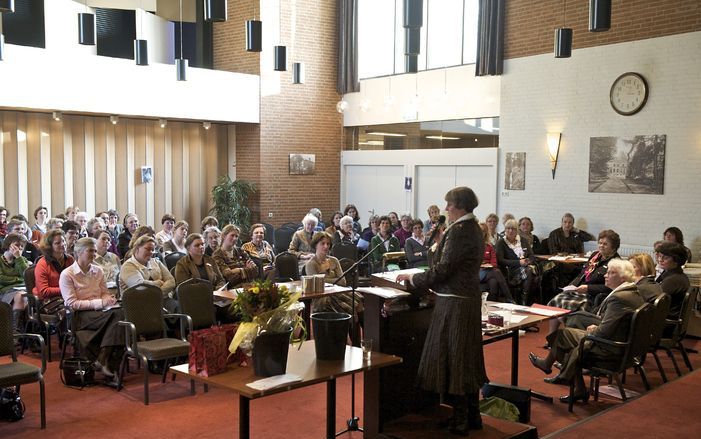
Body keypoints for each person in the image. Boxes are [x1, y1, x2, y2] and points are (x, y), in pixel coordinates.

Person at [396, 187, 487, 435]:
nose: (446, 209)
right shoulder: (474, 228)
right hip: (464, 298)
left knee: (454, 358)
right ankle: (472, 415)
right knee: (465, 357)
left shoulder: (459, 231)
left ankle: (461, 419)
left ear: (459, 206)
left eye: (449, 204)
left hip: (455, 302)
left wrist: (414, 280)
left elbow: (444, 268)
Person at [529, 259, 644, 403]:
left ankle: (561, 374)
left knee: (563, 337)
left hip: (610, 347)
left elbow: (604, 332)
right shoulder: (631, 291)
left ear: (623, 277)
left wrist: (593, 330)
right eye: (607, 272)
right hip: (623, 342)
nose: (605, 276)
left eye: (611, 273)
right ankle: (575, 386)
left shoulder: (619, 298)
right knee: (575, 320)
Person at [59, 237, 123, 380]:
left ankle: (102, 358)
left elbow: (104, 292)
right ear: (79, 252)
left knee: (120, 314)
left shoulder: (98, 271)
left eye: (95, 251)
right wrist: (100, 303)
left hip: (101, 313)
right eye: (91, 251)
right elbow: (71, 303)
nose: (94, 254)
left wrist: (108, 299)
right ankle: (106, 361)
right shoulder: (67, 274)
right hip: (80, 315)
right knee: (118, 317)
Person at [565, 253, 662, 333]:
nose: (605, 276)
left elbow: (607, 327)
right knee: (575, 316)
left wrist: (594, 329)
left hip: (615, 336)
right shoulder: (646, 285)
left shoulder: (635, 290)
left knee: (572, 323)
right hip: (626, 331)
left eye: (632, 267)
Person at [175, 233, 235, 323]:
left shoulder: (210, 260)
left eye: (202, 244)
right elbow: (184, 288)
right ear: (188, 248)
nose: (201, 247)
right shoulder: (182, 264)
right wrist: (209, 295)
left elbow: (220, 279)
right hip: (195, 299)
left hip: (215, 298)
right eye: (197, 245)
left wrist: (220, 290)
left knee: (236, 307)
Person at [120, 236, 176, 311]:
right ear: (137, 248)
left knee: (180, 308)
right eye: (148, 249)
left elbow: (171, 281)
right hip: (139, 304)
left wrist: (158, 293)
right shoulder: (128, 266)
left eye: (153, 250)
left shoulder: (156, 262)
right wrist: (159, 282)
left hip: (162, 299)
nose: (151, 252)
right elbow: (141, 287)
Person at [495, 219, 536, 304]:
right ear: (505, 230)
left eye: (513, 229)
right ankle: (524, 299)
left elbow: (532, 256)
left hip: (525, 267)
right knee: (528, 271)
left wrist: (528, 261)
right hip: (510, 270)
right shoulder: (501, 242)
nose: (510, 231)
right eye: (508, 228)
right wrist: (518, 263)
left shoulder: (523, 240)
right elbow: (501, 260)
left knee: (529, 270)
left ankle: (525, 299)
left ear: (517, 230)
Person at [654, 241, 690, 324]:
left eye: (665, 258)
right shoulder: (673, 274)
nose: (660, 260)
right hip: (666, 317)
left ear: (676, 260)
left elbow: (655, 299)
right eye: (659, 256)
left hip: (665, 323)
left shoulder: (673, 280)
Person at [0, 233, 30, 334]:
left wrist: (19, 258)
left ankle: (19, 332)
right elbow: (1, 279)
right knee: (21, 296)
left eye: (22, 246)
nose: (19, 248)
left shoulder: (22, 260)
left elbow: (27, 276)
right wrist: (18, 279)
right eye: (17, 245)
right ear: (8, 245)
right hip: (4, 292)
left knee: (25, 296)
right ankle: (15, 331)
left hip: (22, 290)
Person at [35, 229, 75, 302]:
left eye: (63, 241)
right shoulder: (42, 264)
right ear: (49, 246)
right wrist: (67, 288)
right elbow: (44, 291)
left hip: (68, 297)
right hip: (50, 301)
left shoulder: (70, 259)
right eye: (57, 243)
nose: (63, 244)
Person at [479, 223, 514, 303]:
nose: (482, 233)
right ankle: (509, 298)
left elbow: (494, 262)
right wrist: (482, 264)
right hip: (477, 272)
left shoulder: (489, 246)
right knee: (497, 272)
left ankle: (492, 304)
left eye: (484, 231)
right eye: (480, 231)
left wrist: (489, 265)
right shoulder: (473, 246)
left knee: (493, 281)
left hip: (489, 271)